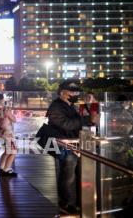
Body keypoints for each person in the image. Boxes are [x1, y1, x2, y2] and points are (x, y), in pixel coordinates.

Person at [45, 80, 87, 214]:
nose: (76, 94)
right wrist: (86, 120)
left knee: (79, 174)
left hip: (75, 145)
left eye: (77, 91)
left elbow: (74, 124)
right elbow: (65, 124)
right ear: (63, 93)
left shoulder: (71, 105)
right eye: (73, 91)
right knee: (67, 175)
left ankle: (81, 202)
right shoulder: (56, 106)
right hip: (64, 145)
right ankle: (66, 203)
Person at [0, 92, 18, 177]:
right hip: (8, 133)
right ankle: (6, 169)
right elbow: (14, 119)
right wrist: (10, 110)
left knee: (7, 151)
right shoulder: (5, 110)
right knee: (13, 151)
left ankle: (0, 168)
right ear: (2, 100)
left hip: (0, 133)